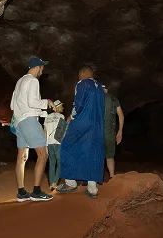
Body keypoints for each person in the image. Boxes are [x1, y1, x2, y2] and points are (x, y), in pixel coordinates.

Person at [9, 56, 54, 202]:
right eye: (42, 67)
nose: (43, 70)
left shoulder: (20, 81)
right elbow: (32, 102)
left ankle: (21, 193)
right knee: (43, 154)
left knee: (22, 157)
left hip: (19, 122)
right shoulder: (33, 81)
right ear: (38, 67)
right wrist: (46, 102)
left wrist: (40, 112)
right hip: (29, 121)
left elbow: (12, 105)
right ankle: (36, 192)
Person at [56, 66, 105, 198]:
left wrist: (71, 116)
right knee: (92, 151)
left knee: (66, 146)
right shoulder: (100, 88)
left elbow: (78, 104)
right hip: (97, 125)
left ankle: (70, 183)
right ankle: (92, 189)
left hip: (83, 121)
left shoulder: (83, 83)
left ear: (82, 74)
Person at [43, 100, 67, 191]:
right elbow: (63, 132)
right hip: (58, 143)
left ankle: (51, 183)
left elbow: (45, 131)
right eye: (61, 106)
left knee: (52, 163)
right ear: (57, 107)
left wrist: (45, 144)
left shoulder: (47, 117)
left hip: (49, 143)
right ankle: (55, 182)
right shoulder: (61, 116)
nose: (63, 108)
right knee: (60, 162)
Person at [103, 85, 124, 179]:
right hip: (110, 133)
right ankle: (112, 177)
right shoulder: (113, 99)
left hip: (97, 133)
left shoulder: (95, 98)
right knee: (110, 156)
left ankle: (95, 179)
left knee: (97, 156)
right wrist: (120, 131)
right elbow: (121, 115)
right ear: (106, 89)